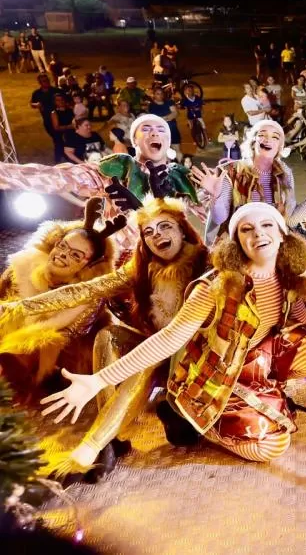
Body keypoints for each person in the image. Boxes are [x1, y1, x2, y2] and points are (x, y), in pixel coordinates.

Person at [40, 203, 306, 464]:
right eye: (247, 229)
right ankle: (197, 422)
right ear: (237, 242)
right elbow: (169, 337)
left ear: (282, 234)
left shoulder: (289, 273)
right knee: (272, 448)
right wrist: (99, 380)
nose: (258, 234)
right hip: (212, 370)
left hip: (255, 357)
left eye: (267, 225)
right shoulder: (215, 285)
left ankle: (260, 392)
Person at [0, 197, 209, 482]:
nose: (156, 235)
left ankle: (95, 444)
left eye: (165, 226)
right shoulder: (140, 267)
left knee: (147, 357)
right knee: (108, 335)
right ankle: (111, 440)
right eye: (148, 232)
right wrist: (19, 307)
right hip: (156, 349)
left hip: (196, 360)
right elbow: (85, 290)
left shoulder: (208, 265)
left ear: (183, 230)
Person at [0, 115, 206, 243]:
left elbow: (210, 221)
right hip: (125, 264)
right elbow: (59, 177)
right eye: (146, 129)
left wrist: (217, 192)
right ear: (134, 141)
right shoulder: (116, 169)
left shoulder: (183, 177)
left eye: (161, 130)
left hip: (171, 264)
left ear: (168, 141)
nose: (155, 133)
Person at [0, 199, 124, 398]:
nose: (62, 255)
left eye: (76, 255)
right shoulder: (24, 265)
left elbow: (66, 338)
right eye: (62, 246)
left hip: (46, 364)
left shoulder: (88, 298)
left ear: (89, 266)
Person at [191, 120, 298, 242]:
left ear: (280, 147)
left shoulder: (285, 173)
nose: (268, 139)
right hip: (238, 244)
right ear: (253, 141)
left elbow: (290, 218)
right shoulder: (230, 171)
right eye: (262, 135)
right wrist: (216, 197)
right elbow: (220, 218)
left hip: (270, 245)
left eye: (275, 137)